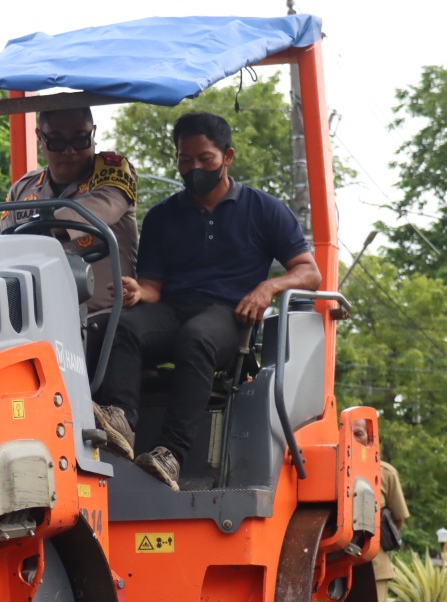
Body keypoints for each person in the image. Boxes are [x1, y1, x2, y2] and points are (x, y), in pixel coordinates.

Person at [93, 111, 319, 489]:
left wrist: (267, 289)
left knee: (196, 337)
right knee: (121, 325)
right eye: (184, 160)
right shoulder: (164, 216)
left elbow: (309, 272)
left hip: (229, 318)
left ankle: (171, 455)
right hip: (174, 309)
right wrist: (137, 291)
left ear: (227, 157)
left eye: (205, 160)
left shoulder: (263, 209)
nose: (193, 168)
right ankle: (121, 422)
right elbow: (154, 287)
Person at [3, 108, 138, 413]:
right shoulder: (24, 189)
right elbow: (5, 249)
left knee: (106, 334)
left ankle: (118, 422)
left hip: (104, 312)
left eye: (80, 140)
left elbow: (97, 214)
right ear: (40, 139)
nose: (69, 151)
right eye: (57, 141)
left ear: (93, 133)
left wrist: (41, 226)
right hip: (40, 315)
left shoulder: (113, 172)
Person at [354, 419, 408, 602]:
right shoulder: (331, 470)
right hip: (337, 564)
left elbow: (397, 519)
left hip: (375, 565)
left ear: (371, 438)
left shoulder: (386, 474)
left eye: (359, 433)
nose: (353, 439)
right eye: (348, 433)